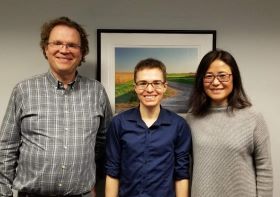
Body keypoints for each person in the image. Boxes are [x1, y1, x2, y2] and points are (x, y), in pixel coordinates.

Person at [0, 16, 112, 197]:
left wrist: (89, 178)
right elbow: (6, 148)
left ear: (82, 52)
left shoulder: (97, 91)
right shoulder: (24, 90)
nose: (64, 50)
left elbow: (104, 142)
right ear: (46, 48)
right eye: (57, 43)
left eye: (72, 45)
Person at [186, 49, 273, 197]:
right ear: (201, 80)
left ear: (234, 78)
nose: (215, 82)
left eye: (222, 76)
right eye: (208, 76)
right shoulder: (191, 119)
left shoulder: (253, 118)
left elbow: (264, 169)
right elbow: (186, 168)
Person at [105, 58, 192, 197]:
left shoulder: (179, 125)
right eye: (143, 83)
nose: (150, 89)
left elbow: (181, 175)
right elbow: (112, 172)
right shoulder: (119, 123)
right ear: (135, 87)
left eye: (156, 83)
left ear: (165, 86)